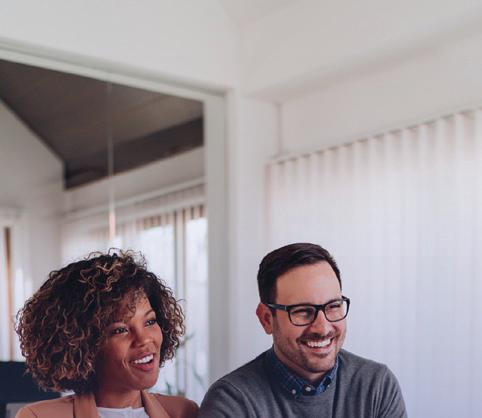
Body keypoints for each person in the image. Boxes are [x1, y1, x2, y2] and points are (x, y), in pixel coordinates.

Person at [199, 243, 407, 417]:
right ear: (266, 319)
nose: (323, 328)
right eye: (303, 311)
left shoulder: (376, 386)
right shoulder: (232, 402)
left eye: (333, 306)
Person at [15, 250, 198, 418]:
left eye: (149, 322)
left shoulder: (183, 412)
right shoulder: (38, 416)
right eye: (120, 330)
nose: (144, 339)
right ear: (83, 345)